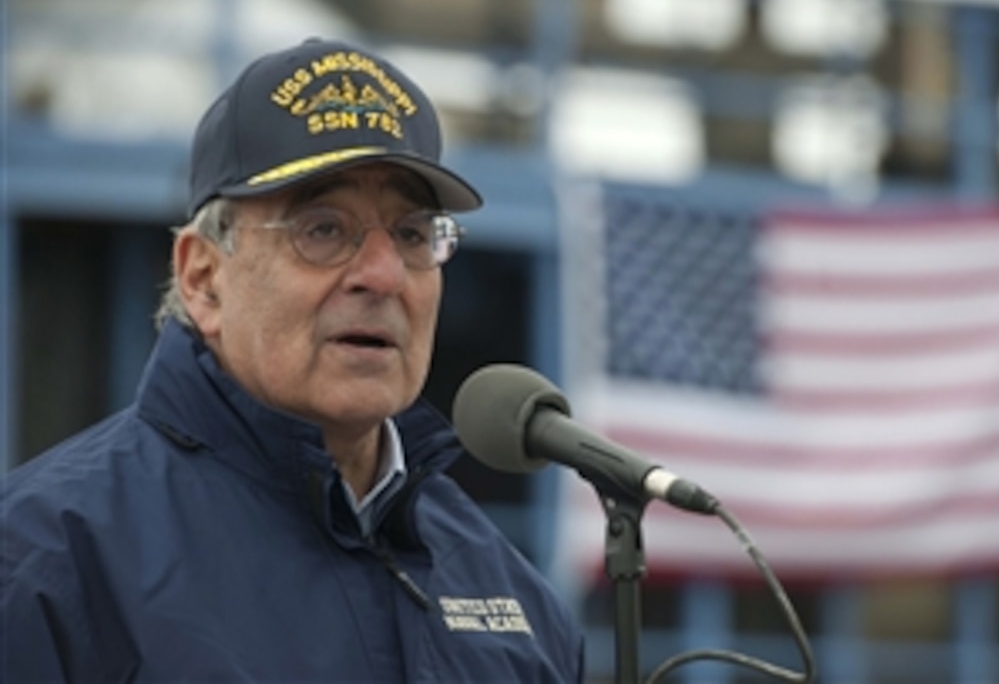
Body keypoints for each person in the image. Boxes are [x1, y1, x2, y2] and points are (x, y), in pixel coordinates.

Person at [1, 37, 585, 682]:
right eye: (323, 229)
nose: (384, 274)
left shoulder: (517, 600)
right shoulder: (45, 562)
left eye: (414, 234)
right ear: (203, 277)